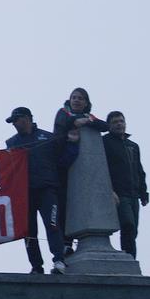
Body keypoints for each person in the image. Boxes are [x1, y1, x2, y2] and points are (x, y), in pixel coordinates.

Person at [5, 107, 79, 275]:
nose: (14, 124)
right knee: (29, 232)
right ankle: (36, 266)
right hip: (25, 193)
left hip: (48, 190)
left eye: (16, 120)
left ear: (27, 118)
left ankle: (59, 260)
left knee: (53, 225)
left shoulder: (48, 137)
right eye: (13, 121)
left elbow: (62, 162)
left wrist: (73, 146)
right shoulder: (11, 143)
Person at [53, 87, 108, 256]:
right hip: (61, 163)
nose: (76, 100)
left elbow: (104, 125)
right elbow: (65, 123)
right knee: (62, 205)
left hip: (79, 165)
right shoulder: (63, 112)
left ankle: (69, 242)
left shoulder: (88, 116)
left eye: (80, 98)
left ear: (86, 102)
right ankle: (64, 244)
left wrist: (87, 121)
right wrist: (78, 121)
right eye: (74, 97)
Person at [103, 111, 148, 259]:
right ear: (109, 125)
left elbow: (139, 170)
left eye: (121, 121)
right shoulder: (105, 142)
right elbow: (102, 168)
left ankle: (130, 259)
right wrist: (110, 190)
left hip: (134, 193)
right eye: (115, 122)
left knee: (133, 229)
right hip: (119, 193)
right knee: (127, 224)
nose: (119, 124)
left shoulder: (133, 145)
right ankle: (129, 257)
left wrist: (144, 192)